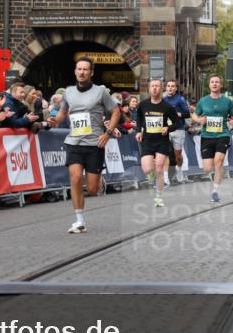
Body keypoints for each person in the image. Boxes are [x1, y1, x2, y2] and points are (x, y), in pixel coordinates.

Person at [46, 57, 120, 234]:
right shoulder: (69, 92)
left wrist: (108, 133)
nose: (82, 72)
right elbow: (63, 112)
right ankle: (79, 220)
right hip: (74, 141)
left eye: (85, 69)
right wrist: (54, 121)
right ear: (75, 71)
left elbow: (116, 112)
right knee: (76, 178)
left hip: (95, 143)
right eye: (79, 69)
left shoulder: (100, 92)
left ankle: (99, 182)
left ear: (91, 72)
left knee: (93, 189)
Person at [191, 75, 233, 203]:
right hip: (206, 136)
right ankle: (215, 179)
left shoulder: (227, 101)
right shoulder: (203, 101)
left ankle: (215, 191)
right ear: (209, 85)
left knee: (219, 161)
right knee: (207, 168)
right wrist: (199, 120)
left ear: (220, 85)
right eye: (212, 82)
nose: (214, 84)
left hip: (222, 134)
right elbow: (195, 115)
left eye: (217, 82)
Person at [135, 79, 178, 208]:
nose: (154, 88)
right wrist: (138, 131)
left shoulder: (167, 107)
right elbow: (138, 118)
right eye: (152, 86)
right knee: (147, 169)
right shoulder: (143, 105)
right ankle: (152, 176)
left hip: (161, 141)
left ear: (161, 89)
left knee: (159, 168)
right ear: (149, 89)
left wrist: (168, 128)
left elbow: (176, 123)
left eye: (157, 86)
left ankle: (158, 197)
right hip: (147, 140)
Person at [163, 79, 191, 184]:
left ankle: (179, 168)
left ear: (175, 88)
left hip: (178, 129)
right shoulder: (163, 100)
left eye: (172, 86)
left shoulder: (180, 99)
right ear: (166, 88)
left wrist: (179, 114)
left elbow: (188, 114)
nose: (170, 88)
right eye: (168, 86)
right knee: (164, 152)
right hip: (166, 129)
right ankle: (165, 177)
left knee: (178, 155)